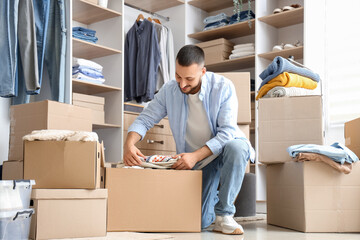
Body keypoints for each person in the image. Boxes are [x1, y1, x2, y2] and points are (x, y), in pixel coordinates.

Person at [123, 45, 255, 235]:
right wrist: (129, 144)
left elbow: (227, 133)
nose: (182, 84)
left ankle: (224, 215)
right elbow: (145, 119)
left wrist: (194, 156)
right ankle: (214, 200)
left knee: (237, 147)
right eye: (178, 76)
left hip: (223, 149)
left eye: (189, 79)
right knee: (196, 222)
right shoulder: (170, 90)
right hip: (201, 162)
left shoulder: (223, 86)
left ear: (203, 71)